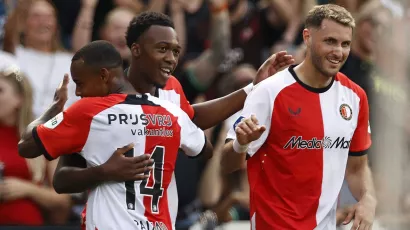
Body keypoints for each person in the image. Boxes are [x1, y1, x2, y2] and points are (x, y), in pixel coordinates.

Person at [52, 11, 293, 228]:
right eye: (162, 49)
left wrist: (254, 88)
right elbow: (62, 179)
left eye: (175, 51)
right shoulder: (101, 95)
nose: (171, 58)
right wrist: (104, 171)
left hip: (161, 220)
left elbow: (192, 119)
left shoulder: (170, 87)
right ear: (136, 49)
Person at [18, 40, 213, 230]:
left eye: (80, 83)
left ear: (103, 75)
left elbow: (26, 145)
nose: (78, 92)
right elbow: (205, 150)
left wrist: (53, 110)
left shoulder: (89, 112)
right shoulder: (171, 112)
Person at [221, 4, 376, 230]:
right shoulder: (269, 91)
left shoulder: (355, 97)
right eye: (330, 41)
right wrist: (240, 144)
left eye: (345, 44)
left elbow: (357, 167)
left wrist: (368, 198)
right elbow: (226, 164)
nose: (338, 52)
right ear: (307, 36)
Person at [0, 67, 71, 225]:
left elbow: (63, 200)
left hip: (27, 223)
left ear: (19, 98)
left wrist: (27, 190)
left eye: (0, 91)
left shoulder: (43, 137)